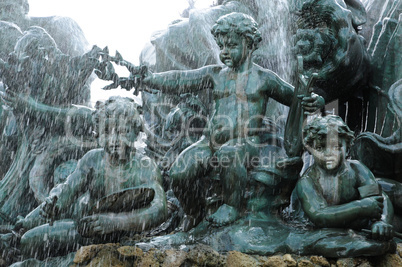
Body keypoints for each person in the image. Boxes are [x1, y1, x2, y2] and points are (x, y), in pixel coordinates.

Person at [141, 12, 324, 230]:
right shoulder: (215, 74)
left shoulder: (264, 79)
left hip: (246, 143)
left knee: (229, 154)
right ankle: (193, 211)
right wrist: (151, 79)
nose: (224, 52)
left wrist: (317, 100)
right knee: (179, 171)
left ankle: (232, 206)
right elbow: (181, 79)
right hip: (208, 142)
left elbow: (296, 97)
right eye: (222, 46)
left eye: (231, 46)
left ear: (249, 44)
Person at [16, 96, 167, 258]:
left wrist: (116, 222)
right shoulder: (93, 159)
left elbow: (160, 208)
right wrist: (54, 203)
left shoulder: (145, 166)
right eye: (107, 132)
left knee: (29, 241)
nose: (115, 139)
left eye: (123, 131)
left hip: (117, 232)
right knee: (27, 234)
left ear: (136, 133)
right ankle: (20, 228)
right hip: (85, 225)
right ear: (97, 135)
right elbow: (68, 190)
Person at [295, 115, 394, 240]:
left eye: (336, 147)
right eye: (320, 147)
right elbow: (319, 215)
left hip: (365, 226)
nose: (328, 153)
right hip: (331, 234)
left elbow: (379, 198)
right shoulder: (307, 181)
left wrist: (382, 221)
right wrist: (360, 207)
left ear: (348, 147)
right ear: (311, 150)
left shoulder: (357, 169)